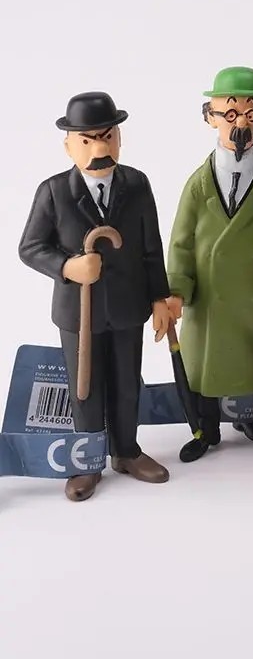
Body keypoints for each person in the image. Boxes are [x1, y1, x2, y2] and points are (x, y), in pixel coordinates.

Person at [19, 91, 171, 501]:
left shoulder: (137, 184)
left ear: (119, 138)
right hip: (78, 313)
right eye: (87, 140)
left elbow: (151, 248)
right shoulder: (53, 192)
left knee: (127, 384)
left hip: (127, 307)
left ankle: (127, 451)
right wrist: (68, 267)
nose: (99, 150)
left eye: (107, 137)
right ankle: (86, 460)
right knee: (84, 389)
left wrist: (159, 298)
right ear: (68, 145)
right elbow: (30, 247)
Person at [167, 67, 253, 462]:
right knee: (205, 365)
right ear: (209, 117)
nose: (240, 124)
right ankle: (206, 428)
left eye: (250, 113)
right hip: (207, 297)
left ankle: (244, 418)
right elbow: (181, 241)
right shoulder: (198, 184)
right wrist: (176, 290)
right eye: (229, 114)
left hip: (252, 291)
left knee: (247, 357)